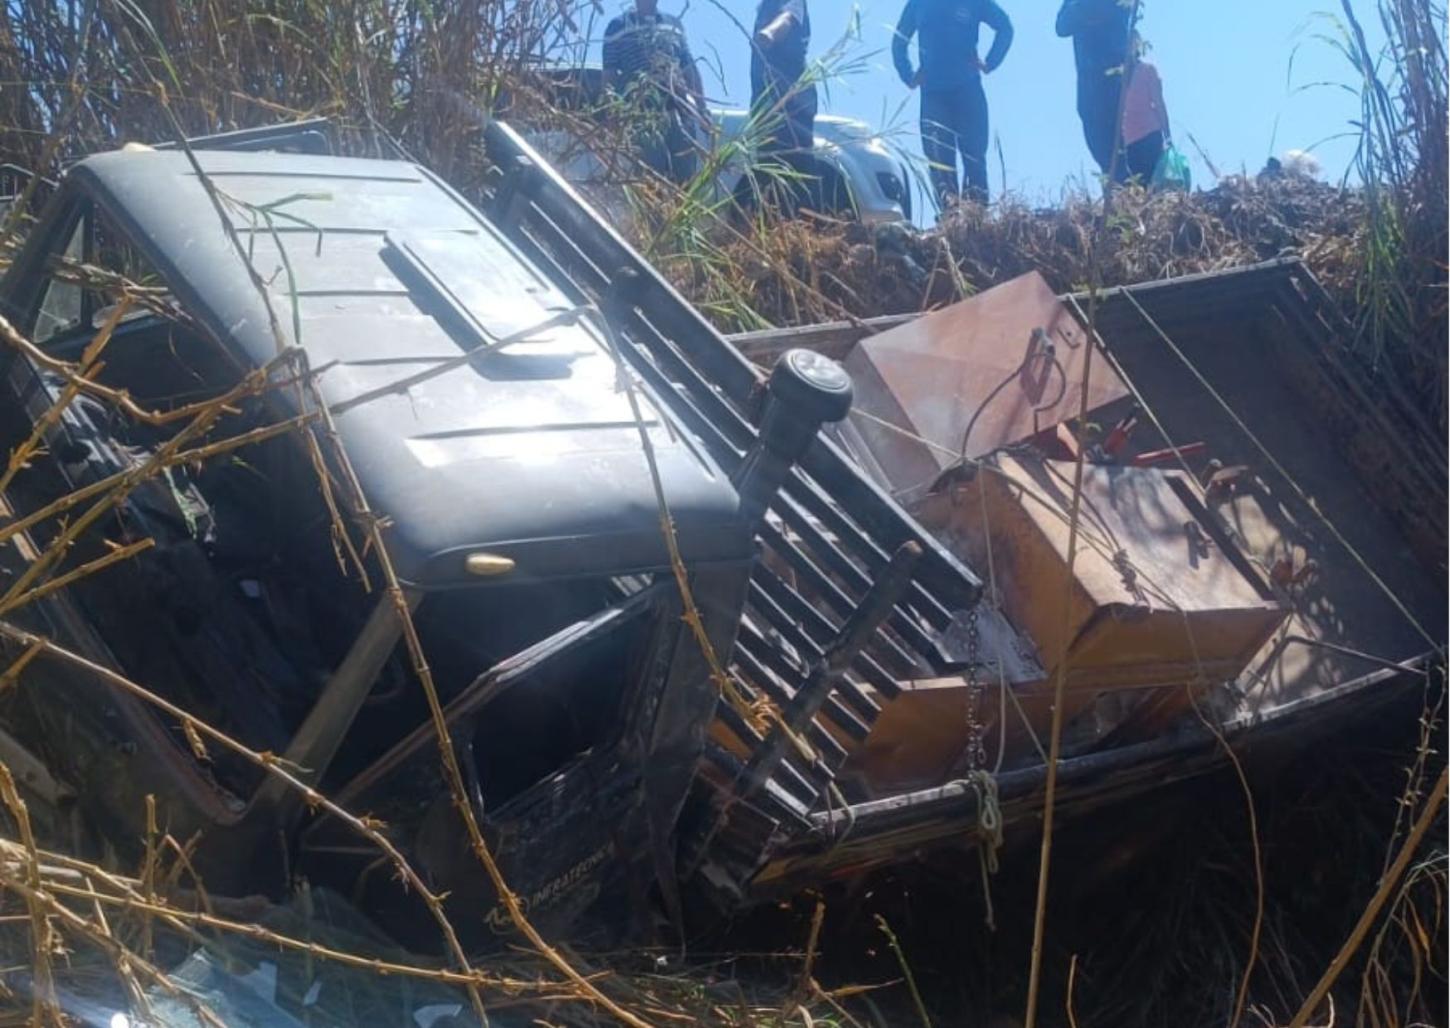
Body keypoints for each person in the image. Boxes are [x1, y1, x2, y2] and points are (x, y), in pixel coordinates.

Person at [892, 0, 1013, 209]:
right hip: (933, 95)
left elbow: (1005, 27)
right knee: (939, 163)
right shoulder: (918, 4)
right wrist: (908, 75)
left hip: (968, 90)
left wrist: (990, 62)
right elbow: (898, 42)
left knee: (974, 157)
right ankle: (950, 221)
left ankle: (977, 220)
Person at [602, 0, 707, 182]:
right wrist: (612, 112)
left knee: (685, 175)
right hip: (642, 114)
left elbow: (688, 67)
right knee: (651, 175)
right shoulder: (618, 26)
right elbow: (609, 74)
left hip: (677, 111)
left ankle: (682, 208)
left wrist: (702, 108)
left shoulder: (673, 25)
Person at [1055, 0, 1134, 181]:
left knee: (1122, 146)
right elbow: (1062, 26)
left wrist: (1084, 14)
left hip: (1116, 78)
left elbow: (1103, 11)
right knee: (1099, 143)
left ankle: (1129, 195)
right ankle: (1115, 195)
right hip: (1088, 80)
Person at [751, 0, 815, 155]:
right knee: (767, 161)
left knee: (793, 158)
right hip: (767, 103)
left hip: (791, 100)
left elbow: (788, 18)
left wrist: (769, 33)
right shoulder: (766, 7)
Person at [1120, 44, 1167, 183]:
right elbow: (1159, 104)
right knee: (1152, 183)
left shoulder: (1120, 78)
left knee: (1141, 185)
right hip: (1143, 137)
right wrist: (1167, 133)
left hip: (1135, 140)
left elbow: (1159, 103)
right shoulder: (1146, 71)